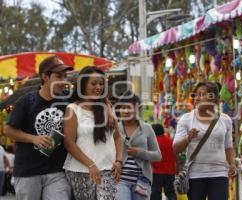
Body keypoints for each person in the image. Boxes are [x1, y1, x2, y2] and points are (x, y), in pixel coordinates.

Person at [4, 56, 73, 200]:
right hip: (28, 171)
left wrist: (109, 110)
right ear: (45, 77)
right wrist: (33, 138)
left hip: (57, 170)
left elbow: (92, 97)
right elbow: (8, 130)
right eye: (58, 76)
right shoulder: (26, 101)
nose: (64, 81)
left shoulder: (68, 97)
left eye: (65, 76)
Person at [63, 66, 123, 200]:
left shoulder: (108, 108)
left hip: (109, 169)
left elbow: (118, 138)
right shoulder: (72, 109)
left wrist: (119, 161)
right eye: (94, 83)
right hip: (80, 170)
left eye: (101, 83)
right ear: (83, 85)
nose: (98, 87)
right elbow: (69, 142)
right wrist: (90, 164)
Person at [173, 81, 236, 200]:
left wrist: (232, 164)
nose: (197, 98)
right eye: (196, 95)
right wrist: (188, 138)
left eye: (202, 94)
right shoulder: (186, 119)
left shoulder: (226, 120)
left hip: (219, 173)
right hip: (195, 175)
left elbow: (228, 146)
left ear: (214, 99)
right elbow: (175, 148)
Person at [116, 91, 161, 200]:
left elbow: (158, 156)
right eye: (123, 107)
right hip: (120, 180)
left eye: (130, 107)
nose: (126, 111)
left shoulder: (147, 129)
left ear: (138, 109)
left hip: (142, 180)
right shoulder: (115, 128)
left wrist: (140, 153)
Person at [150, 123, 176, 200]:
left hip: (156, 172)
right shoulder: (170, 141)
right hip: (170, 171)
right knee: (170, 192)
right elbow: (175, 155)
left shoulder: (153, 142)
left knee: (155, 193)